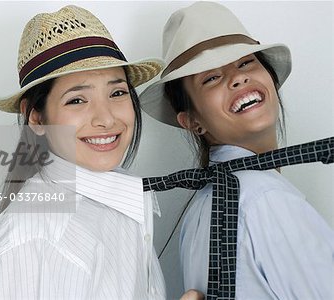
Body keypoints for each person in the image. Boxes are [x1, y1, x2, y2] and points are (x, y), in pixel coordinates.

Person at [0, 5, 204, 300]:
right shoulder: (32, 242)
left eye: (117, 93)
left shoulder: (118, 206)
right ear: (36, 118)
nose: (105, 118)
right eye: (77, 100)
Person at [140, 2, 333, 299]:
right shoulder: (267, 199)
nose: (238, 77)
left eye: (246, 63)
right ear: (192, 120)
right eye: (211, 77)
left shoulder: (200, 209)